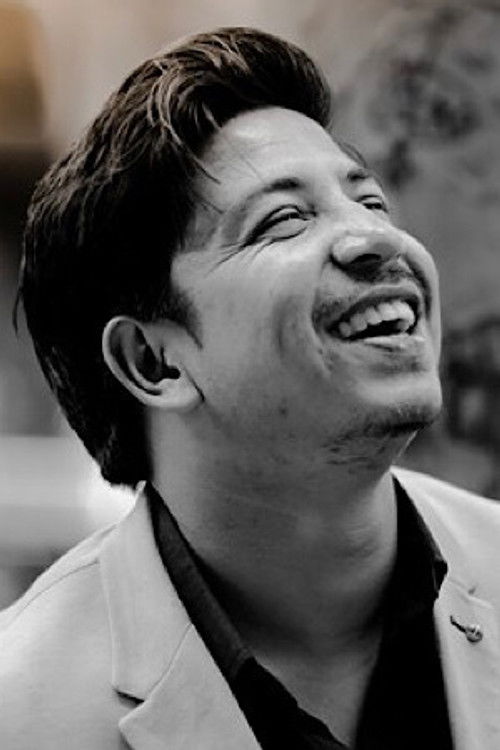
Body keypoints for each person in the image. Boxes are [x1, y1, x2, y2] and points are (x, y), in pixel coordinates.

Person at [1, 26, 499, 750]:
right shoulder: (23, 714)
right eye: (284, 220)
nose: (377, 239)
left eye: (371, 202)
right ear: (153, 363)